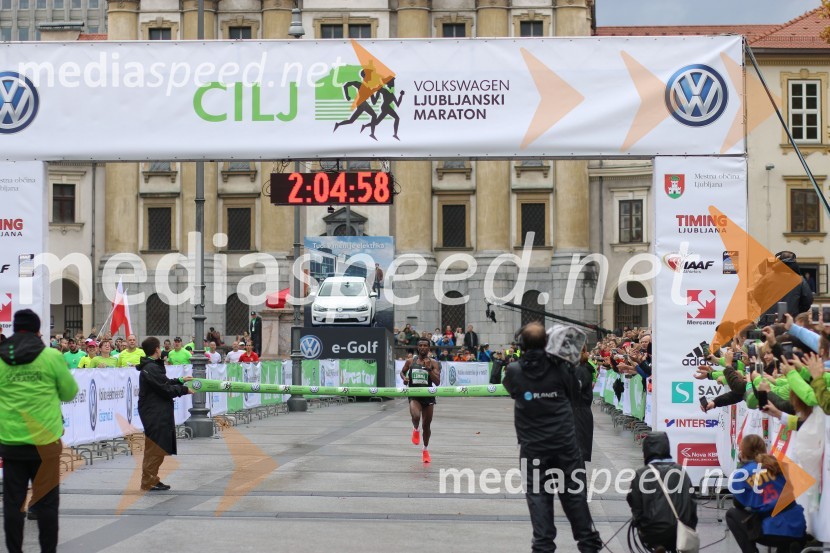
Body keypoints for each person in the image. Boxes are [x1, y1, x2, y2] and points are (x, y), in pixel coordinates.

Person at [502, 322, 602, 553]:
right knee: (574, 494)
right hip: (564, 443)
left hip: (532, 446)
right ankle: (588, 543)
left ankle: (543, 546)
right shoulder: (562, 368)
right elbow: (574, 393)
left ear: (521, 344)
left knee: (538, 496)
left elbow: (512, 389)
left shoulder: (515, 370)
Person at [0, 309, 79, 553]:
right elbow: (70, 393)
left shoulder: (1, 357)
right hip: (45, 443)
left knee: (13, 504)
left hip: (11, 442)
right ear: (38, 331)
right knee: (47, 504)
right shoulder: (51, 356)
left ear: (14, 328)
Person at [726, 435, 806, 553]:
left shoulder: (742, 473)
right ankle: (790, 546)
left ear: (742, 453)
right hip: (798, 527)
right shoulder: (777, 465)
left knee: (732, 514)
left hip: (771, 531)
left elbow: (738, 504)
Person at [136, 336, 194, 491]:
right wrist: (184, 390)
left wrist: (180, 380)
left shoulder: (152, 366)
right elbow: (164, 388)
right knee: (155, 448)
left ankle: (152, 478)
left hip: (157, 411)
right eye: (159, 347)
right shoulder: (151, 368)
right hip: (154, 413)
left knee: (158, 447)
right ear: (156, 349)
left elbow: (164, 382)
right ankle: (148, 481)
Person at [627, 432, 698, 551]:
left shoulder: (641, 474)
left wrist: (638, 522)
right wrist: (691, 526)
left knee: (648, 533)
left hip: (652, 530)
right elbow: (692, 502)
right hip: (680, 529)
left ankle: (656, 546)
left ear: (646, 450)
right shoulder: (680, 471)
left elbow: (635, 503)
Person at [399, 337, 441, 463]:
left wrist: (429, 369)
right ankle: (416, 429)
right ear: (418, 347)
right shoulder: (410, 361)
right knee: (416, 416)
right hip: (414, 395)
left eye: (425, 345)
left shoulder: (434, 363)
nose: (423, 347)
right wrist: (404, 379)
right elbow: (402, 372)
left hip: (428, 396)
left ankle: (425, 450)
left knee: (426, 425)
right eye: (420, 345)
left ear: (429, 348)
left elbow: (437, 382)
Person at [572, 346, 595, 463]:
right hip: (577, 412)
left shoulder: (580, 370)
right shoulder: (578, 368)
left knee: (577, 453)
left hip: (579, 413)